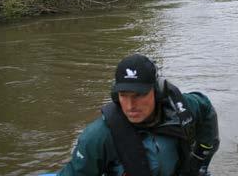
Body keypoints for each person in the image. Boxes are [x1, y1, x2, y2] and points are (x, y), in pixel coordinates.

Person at [57, 53, 219, 176]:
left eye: (139, 95)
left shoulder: (180, 108)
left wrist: (202, 155)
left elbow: (206, 109)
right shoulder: (98, 136)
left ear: (157, 92)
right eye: (123, 95)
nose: (130, 106)